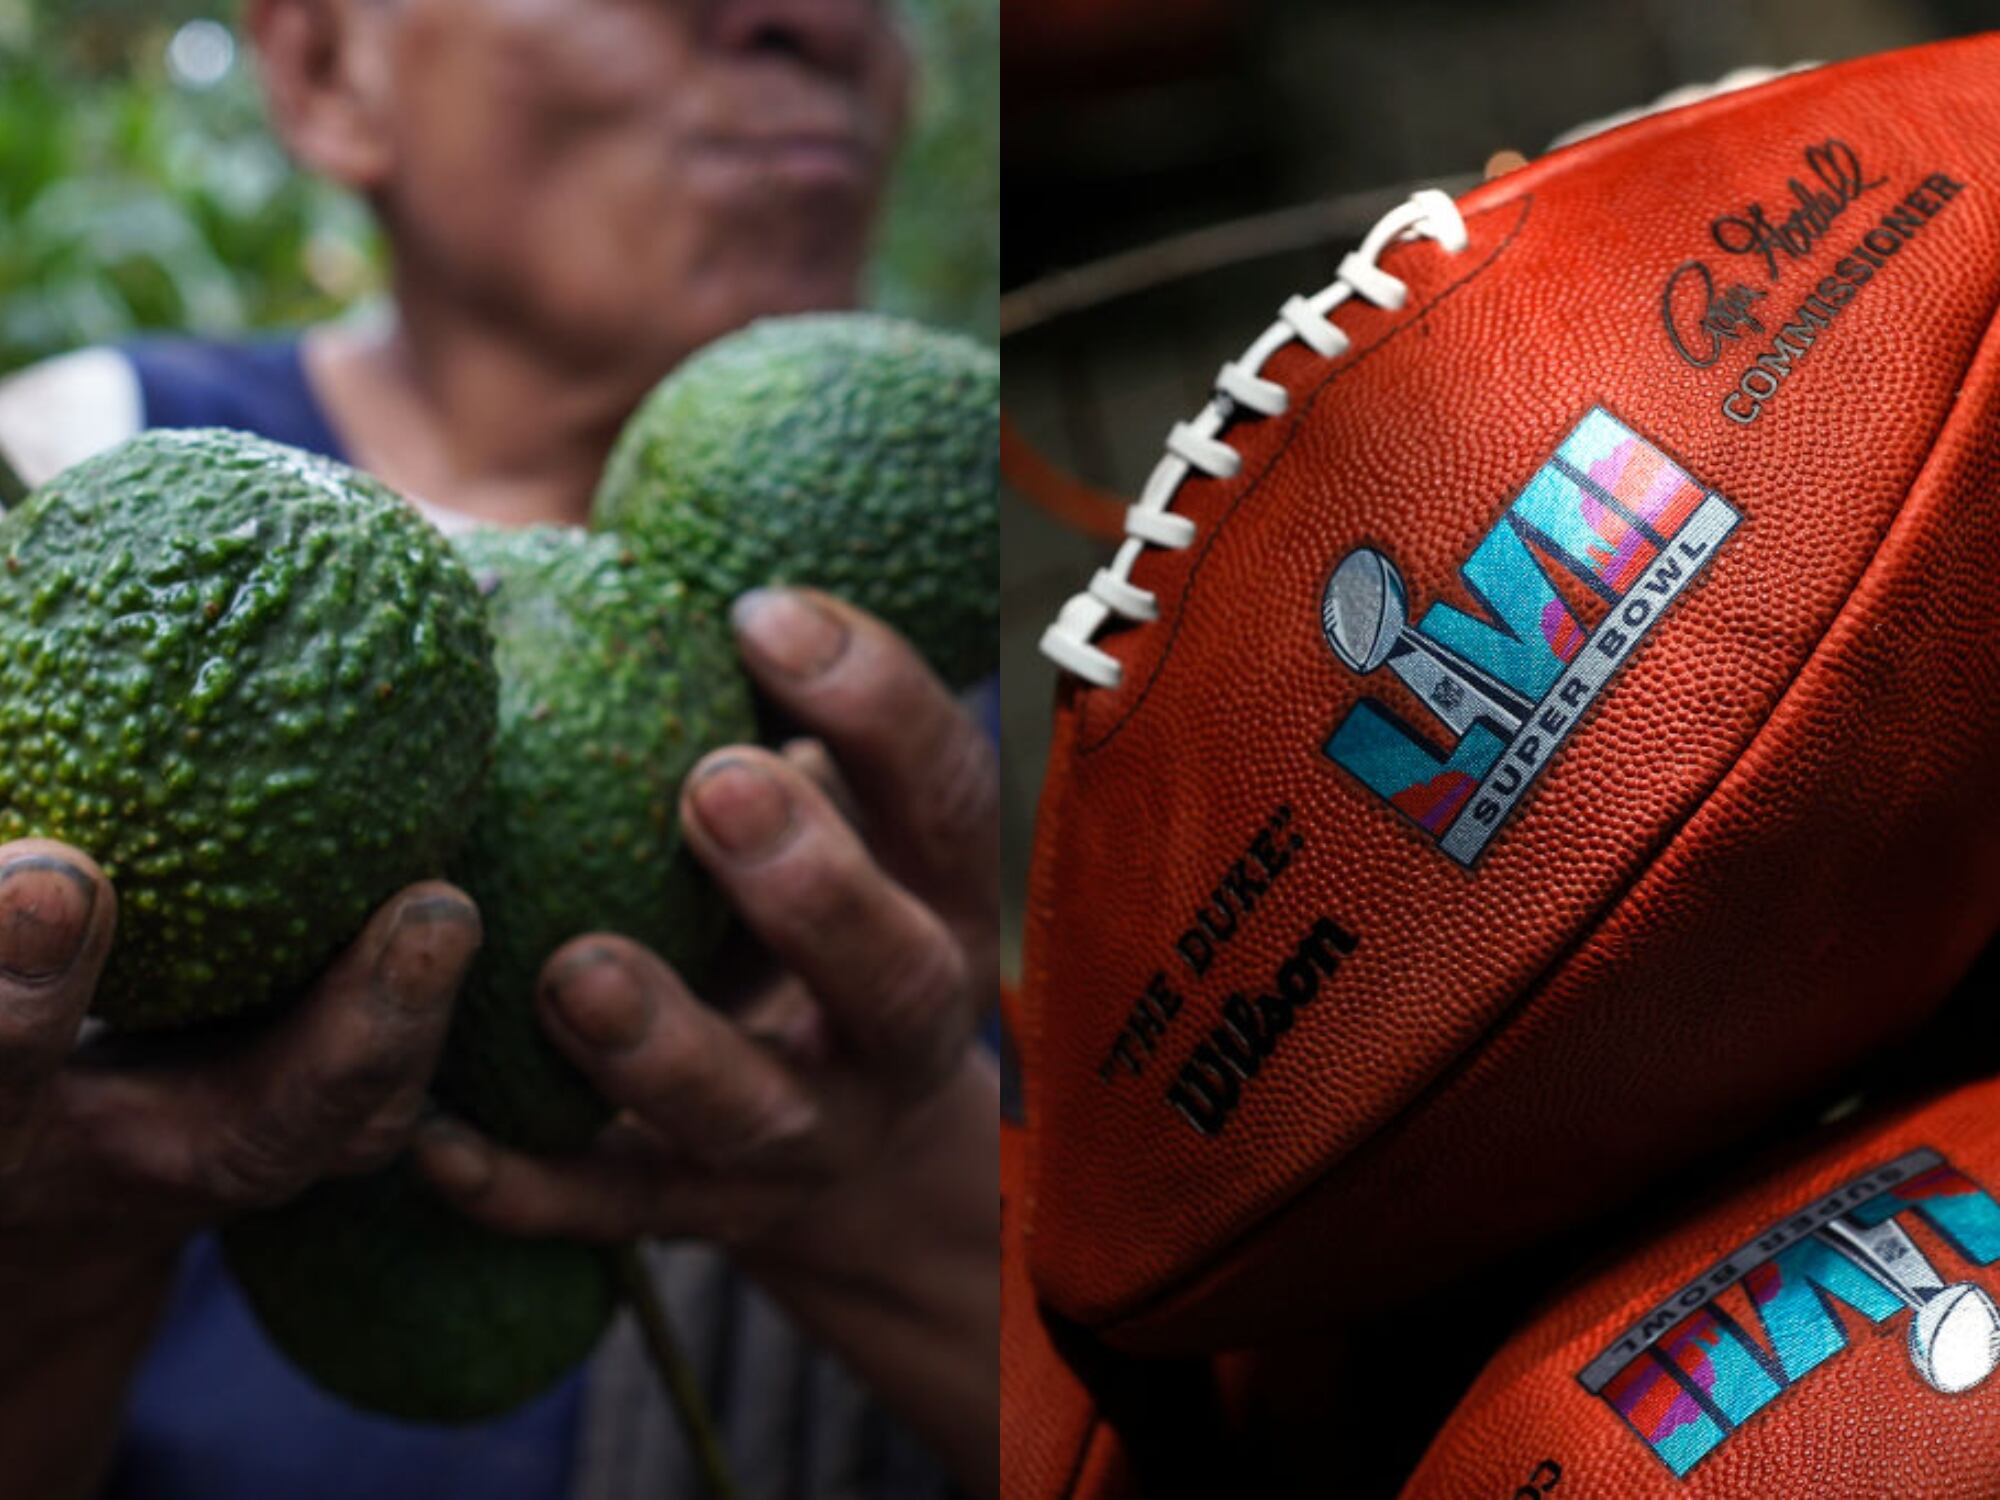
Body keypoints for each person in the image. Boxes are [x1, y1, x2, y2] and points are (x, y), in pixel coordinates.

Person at [0, 3, 999, 1498]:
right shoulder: (62, 498)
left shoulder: (934, 710)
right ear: (332, 68)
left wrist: (898, 1209)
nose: (816, 18)